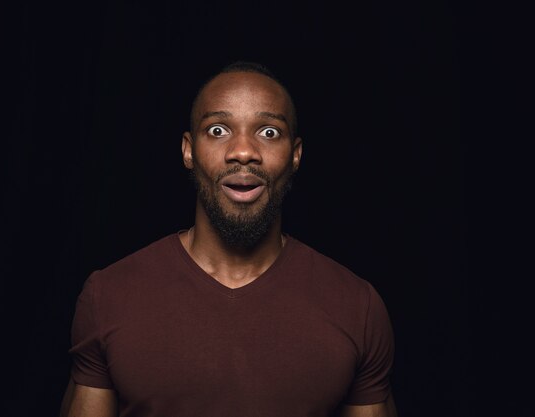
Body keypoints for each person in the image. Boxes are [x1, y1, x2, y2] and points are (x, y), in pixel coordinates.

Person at [60, 60, 397, 417]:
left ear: (295, 155)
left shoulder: (356, 306)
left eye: (268, 132)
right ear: (188, 151)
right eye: (218, 130)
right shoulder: (109, 295)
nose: (243, 151)